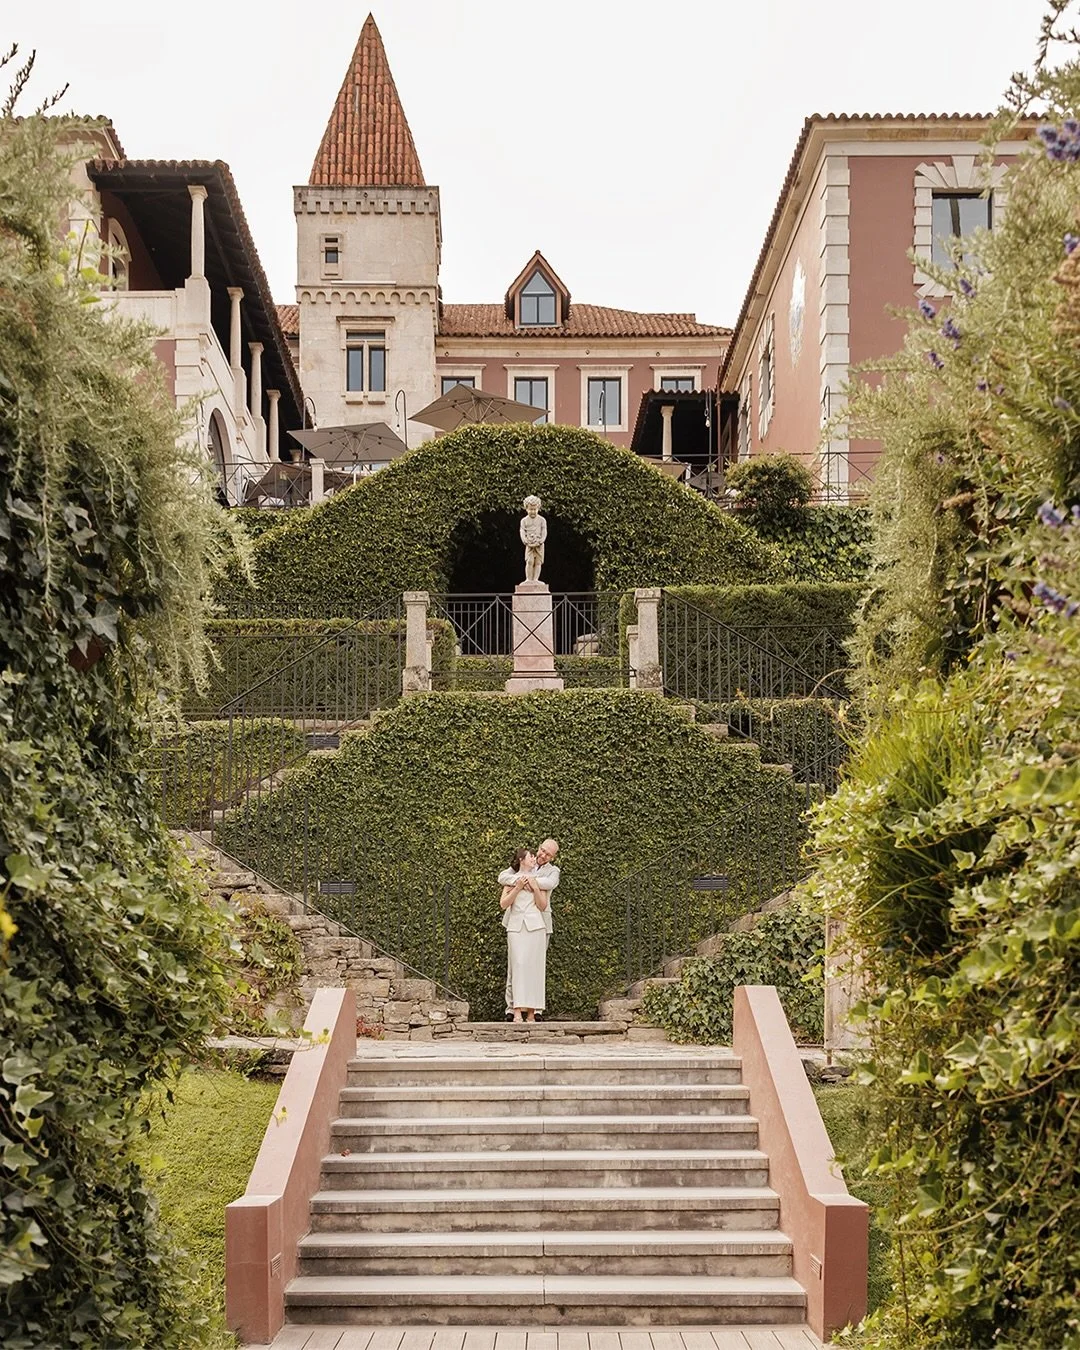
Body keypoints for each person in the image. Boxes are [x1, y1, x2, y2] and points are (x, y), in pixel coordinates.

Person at [499, 838, 559, 1020]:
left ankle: (535, 1010)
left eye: (548, 854)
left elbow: (549, 884)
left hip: (539, 923)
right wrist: (520, 881)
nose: (543, 855)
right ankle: (512, 1008)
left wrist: (533, 883)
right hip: (516, 923)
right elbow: (502, 877)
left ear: (553, 857)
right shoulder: (520, 867)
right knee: (516, 965)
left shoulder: (553, 871)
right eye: (542, 850)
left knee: (535, 966)